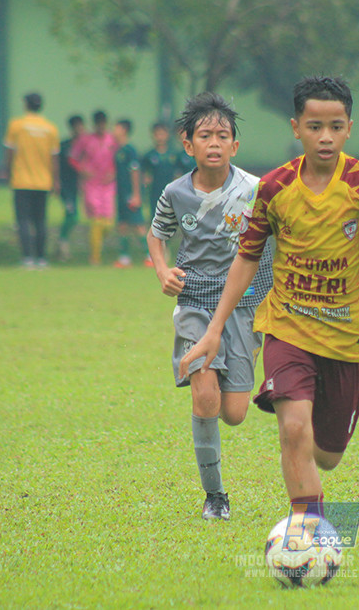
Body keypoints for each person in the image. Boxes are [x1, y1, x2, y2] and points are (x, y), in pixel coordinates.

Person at [179, 76, 359, 519]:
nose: (324, 136)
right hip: (288, 326)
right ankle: (308, 531)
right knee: (292, 428)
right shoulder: (274, 188)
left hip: (348, 338)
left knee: (327, 454)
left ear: (349, 127)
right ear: (296, 128)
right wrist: (215, 330)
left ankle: (312, 506)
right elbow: (247, 259)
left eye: (335, 125)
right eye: (314, 126)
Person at [147, 92, 273, 520]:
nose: (214, 143)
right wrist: (163, 270)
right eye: (205, 135)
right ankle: (215, 496)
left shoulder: (255, 190)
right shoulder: (175, 193)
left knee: (234, 413)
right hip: (196, 302)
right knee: (205, 399)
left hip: (243, 305)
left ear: (235, 146)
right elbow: (157, 233)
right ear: (188, 144)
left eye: (223, 135)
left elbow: (275, 242)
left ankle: (245, 353)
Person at [3, 92, 60, 269]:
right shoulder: (50, 129)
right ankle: (41, 258)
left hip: (21, 180)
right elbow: (54, 158)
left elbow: (10, 152)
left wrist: (7, 171)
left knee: (23, 220)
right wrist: (55, 180)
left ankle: (27, 258)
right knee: (41, 220)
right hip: (43, 181)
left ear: (26, 105)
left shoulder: (17, 125)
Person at [69, 110, 118, 266]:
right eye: (98, 123)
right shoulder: (86, 140)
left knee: (108, 222)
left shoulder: (112, 140)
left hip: (108, 184)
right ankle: (95, 256)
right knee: (96, 219)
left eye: (103, 123)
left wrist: (114, 172)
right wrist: (82, 170)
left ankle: (97, 246)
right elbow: (73, 158)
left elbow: (119, 158)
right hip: (91, 184)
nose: (101, 126)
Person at [141, 121, 185, 266]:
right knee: (155, 222)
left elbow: (179, 174)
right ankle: (152, 254)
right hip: (155, 194)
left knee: (173, 223)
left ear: (167, 135)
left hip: (171, 195)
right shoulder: (149, 155)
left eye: (163, 133)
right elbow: (144, 175)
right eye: (157, 134)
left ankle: (167, 250)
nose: (160, 137)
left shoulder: (174, 155)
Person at [112, 118, 147, 267]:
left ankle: (150, 255)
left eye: (116, 127)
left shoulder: (130, 150)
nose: (114, 130)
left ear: (124, 130)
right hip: (120, 193)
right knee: (122, 225)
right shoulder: (117, 150)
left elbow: (135, 172)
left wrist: (136, 194)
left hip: (130, 193)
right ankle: (125, 257)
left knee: (138, 224)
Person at [57, 114, 86, 262]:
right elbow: (57, 165)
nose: (79, 130)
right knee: (72, 214)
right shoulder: (64, 146)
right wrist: (56, 182)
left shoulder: (87, 145)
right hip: (66, 186)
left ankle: (63, 242)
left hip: (80, 185)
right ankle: (62, 242)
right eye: (76, 127)